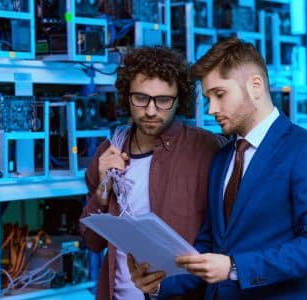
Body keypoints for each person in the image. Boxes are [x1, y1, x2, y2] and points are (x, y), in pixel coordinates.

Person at [128, 37, 307, 299]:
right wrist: (159, 285)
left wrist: (234, 268)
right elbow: (207, 247)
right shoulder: (222, 158)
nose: (211, 109)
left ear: (255, 86)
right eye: (208, 98)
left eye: (219, 94)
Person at [79, 46, 227, 300]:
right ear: (127, 96)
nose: (150, 111)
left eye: (163, 100)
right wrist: (102, 192)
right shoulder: (109, 152)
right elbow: (92, 242)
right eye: (141, 98)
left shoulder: (208, 150)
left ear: (180, 99)